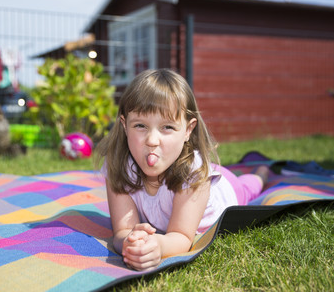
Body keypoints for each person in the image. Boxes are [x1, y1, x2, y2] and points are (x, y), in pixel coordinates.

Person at [96, 69, 269, 271]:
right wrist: (129, 243)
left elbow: (182, 237)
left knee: (250, 186)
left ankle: (262, 173)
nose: (152, 141)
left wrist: (158, 246)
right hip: (192, 166)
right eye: (140, 125)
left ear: (188, 130)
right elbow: (123, 230)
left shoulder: (194, 172)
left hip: (228, 190)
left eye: (167, 127)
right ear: (125, 126)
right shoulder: (117, 166)